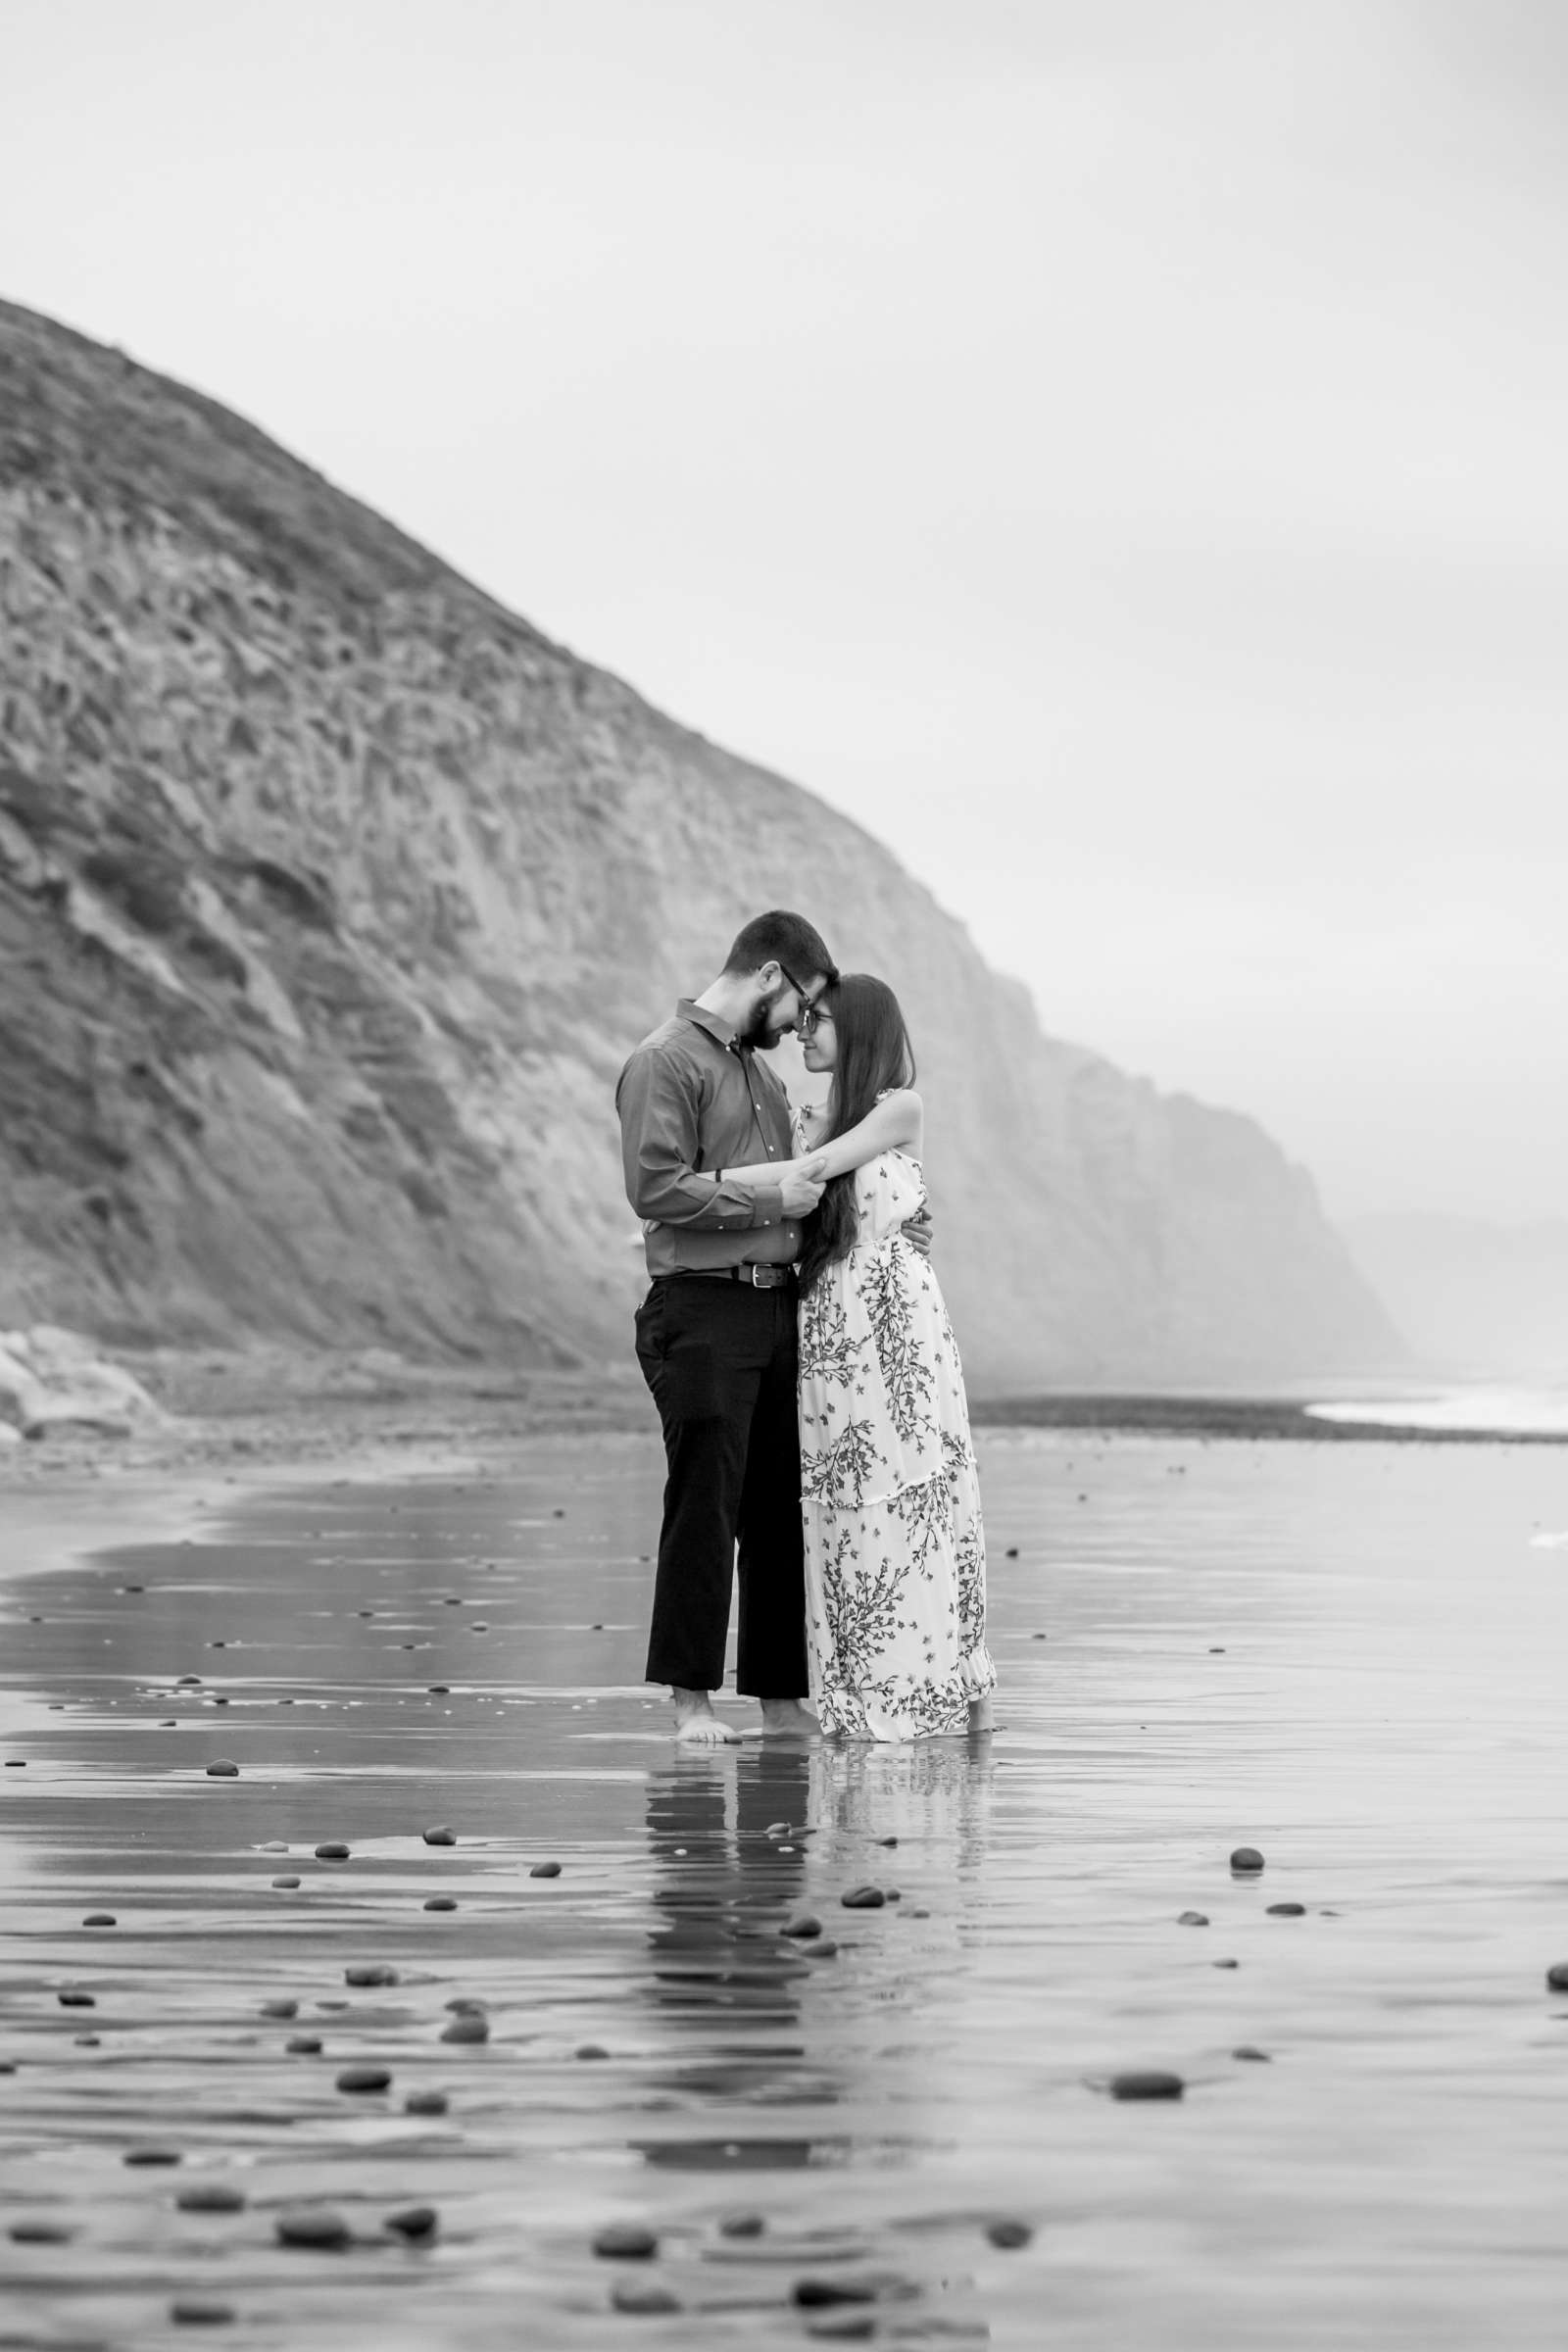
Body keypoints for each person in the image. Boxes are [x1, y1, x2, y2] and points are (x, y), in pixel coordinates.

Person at [715, 975, 996, 1739]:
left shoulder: (897, 1107)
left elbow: (814, 1174)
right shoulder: (803, 1119)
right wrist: (699, 1193)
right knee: (840, 1504)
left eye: (821, 1023)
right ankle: (861, 1691)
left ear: (862, 1033)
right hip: (829, 1326)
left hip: (898, 1323)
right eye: (804, 1020)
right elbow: (800, 1197)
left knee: (922, 1492)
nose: (805, 1034)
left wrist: (702, 1186)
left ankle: (959, 1696)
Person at [615, 911, 835, 1744]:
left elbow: (805, 1190)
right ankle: (690, 1702)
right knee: (706, 1502)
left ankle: (782, 1701)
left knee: (780, 1509)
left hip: (778, 1307)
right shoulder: (663, 1061)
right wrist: (772, 1199)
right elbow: (657, 1189)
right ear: (771, 975)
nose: (801, 1026)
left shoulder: (762, 1077)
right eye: (801, 1005)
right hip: (700, 1307)